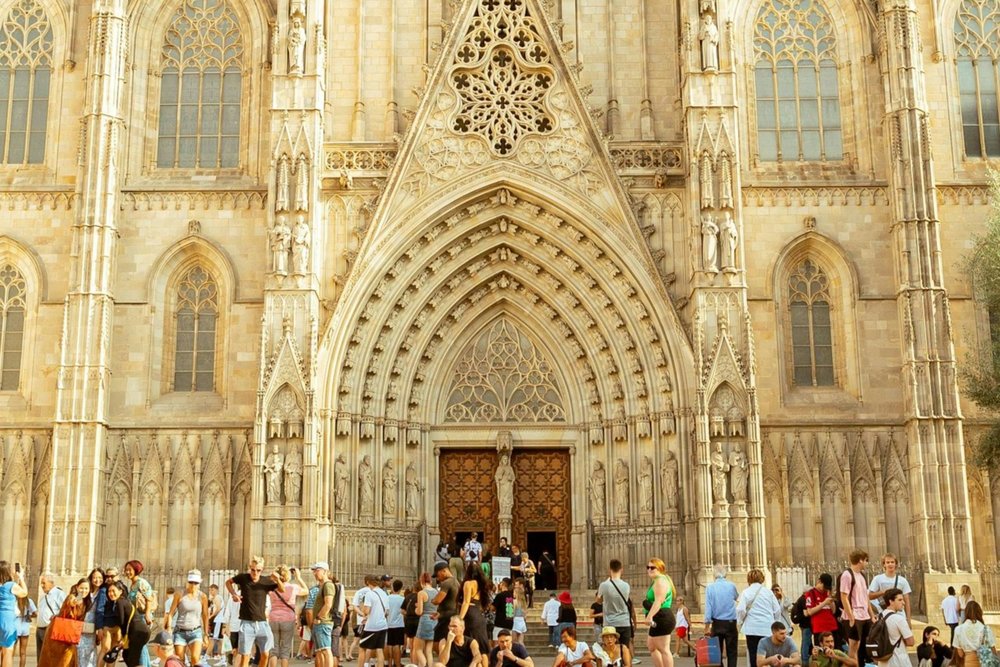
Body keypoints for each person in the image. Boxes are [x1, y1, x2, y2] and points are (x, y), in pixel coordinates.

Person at [226, 556, 285, 667]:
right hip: (246, 623)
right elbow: (228, 582)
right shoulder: (243, 578)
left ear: (262, 570)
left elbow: (282, 590)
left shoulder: (265, 581)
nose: (255, 573)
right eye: (253, 570)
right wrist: (233, 594)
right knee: (245, 656)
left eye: (258, 570)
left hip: (262, 623)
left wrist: (277, 579)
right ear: (250, 568)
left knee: (266, 654)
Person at [38, 578, 89, 667]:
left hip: (69, 634)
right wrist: (79, 597)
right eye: (81, 588)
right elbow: (73, 602)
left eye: (86, 588)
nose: (84, 590)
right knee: (59, 661)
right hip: (60, 634)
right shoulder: (73, 597)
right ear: (77, 587)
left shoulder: (85, 601)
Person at [737, 569, 782, 667]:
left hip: (752, 628)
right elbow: (777, 610)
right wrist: (775, 623)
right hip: (767, 628)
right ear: (762, 579)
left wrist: (739, 621)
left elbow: (740, 609)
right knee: (766, 656)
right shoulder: (769, 593)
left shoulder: (746, 592)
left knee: (753, 655)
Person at [164, 569, 209, 666]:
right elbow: (171, 613)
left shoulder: (203, 597)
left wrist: (206, 634)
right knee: (180, 661)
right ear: (187, 582)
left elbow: (205, 616)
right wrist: (169, 628)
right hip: (180, 632)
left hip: (195, 631)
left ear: (199, 583)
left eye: (196, 583)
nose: (193, 585)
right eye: (191, 582)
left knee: (195, 659)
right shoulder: (179, 595)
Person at [267, 565, 308, 667]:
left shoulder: (271, 588)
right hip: (288, 619)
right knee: (285, 649)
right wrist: (298, 577)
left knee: (273, 648)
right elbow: (306, 591)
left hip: (273, 618)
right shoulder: (293, 587)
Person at [838, 550, 872, 665]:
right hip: (854, 615)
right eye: (866, 560)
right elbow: (844, 596)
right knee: (853, 647)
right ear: (860, 560)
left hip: (864, 616)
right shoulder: (847, 575)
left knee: (862, 647)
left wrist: (871, 615)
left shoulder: (862, 575)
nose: (867, 563)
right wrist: (851, 617)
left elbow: (866, 597)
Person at [106, 580, 150, 667]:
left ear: (120, 591)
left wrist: (122, 638)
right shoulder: (124, 601)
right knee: (127, 655)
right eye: (109, 591)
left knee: (133, 659)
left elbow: (122, 622)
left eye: (113, 591)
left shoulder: (119, 602)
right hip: (140, 632)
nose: (111, 593)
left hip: (138, 633)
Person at [643, 559, 676, 667]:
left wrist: (649, 616)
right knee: (652, 646)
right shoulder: (657, 580)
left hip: (662, 617)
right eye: (648, 567)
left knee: (664, 649)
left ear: (660, 569)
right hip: (659, 616)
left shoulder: (660, 581)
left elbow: (659, 601)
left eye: (652, 568)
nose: (649, 570)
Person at [596, 560, 634, 654]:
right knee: (625, 650)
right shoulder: (626, 586)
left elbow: (598, 601)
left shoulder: (604, 585)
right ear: (621, 569)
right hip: (624, 622)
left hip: (610, 622)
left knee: (610, 652)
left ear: (610, 570)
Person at [705, 564, 739, 667]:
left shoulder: (710, 587)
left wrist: (707, 626)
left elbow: (708, 608)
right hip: (730, 622)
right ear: (725, 574)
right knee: (732, 651)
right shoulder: (731, 586)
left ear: (714, 574)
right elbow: (736, 597)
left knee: (717, 652)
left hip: (717, 623)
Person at [803, 574, 839, 659]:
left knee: (834, 651)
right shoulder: (811, 593)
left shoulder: (827, 593)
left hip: (831, 626)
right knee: (821, 653)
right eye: (823, 587)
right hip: (819, 628)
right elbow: (810, 611)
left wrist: (830, 599)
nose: (824, 589)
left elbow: (833, 611)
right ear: (819, 582)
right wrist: (824, 603)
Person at [460, 563, 492, 658]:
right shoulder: (482, 584)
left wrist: (460, 618)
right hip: (479, 615)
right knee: (482, 649)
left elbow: (466, 602)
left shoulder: (468, 583)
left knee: (471, 645)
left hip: (470, 615)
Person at [868, 554, 911, 624]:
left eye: (892, 562)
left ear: (896, 564)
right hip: (884, 613)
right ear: (884, 564)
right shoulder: (878, 579)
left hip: (900, 614)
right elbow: (869, 596)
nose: (890, 564)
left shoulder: (903, 580)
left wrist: (908, 620)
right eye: (887, 562)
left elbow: (907, 600)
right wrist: (882, 592)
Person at [311, 562, 340, 667]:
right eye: (314, 571)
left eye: (317, 570)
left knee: (326, 650)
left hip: (323, 622)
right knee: (320, 651)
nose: (314, 573)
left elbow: (328, 604)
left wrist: (318, 617)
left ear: (325, 571)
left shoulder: (328, 585)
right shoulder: (323, 585)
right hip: (320, 623)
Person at [875, 589, 913, 667]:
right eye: (900, 600)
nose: (903, 603)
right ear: (891, 601)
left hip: (883, 662)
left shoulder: (878, 617)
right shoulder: (899, 619)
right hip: (899, 661)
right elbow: (910, 642)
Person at [359, 573, 390, 667]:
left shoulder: (369, 594)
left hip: (372, 626)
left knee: (362, 648)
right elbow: (387, 611)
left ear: (368, 582)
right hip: (383, 625)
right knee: (379, 649)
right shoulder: (384, 593)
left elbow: (366, 611)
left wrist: (363, 611)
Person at [0, 562, 27, 667]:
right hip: (7, 620)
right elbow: (24, 593)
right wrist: (21, 578)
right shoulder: (11, 585)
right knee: (7, 652)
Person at [953, 601, 996, 667]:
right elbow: (993, 651)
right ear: (980, 612)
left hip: (968, 663)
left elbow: (960, 654)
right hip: (985, 663)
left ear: (966, 613)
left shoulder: (958, 629)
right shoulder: (986, 629)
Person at [35, 571, 66, 659]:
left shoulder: (59, 594)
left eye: (44, 583)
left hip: (50, 630)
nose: (42, 585)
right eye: (41, 583)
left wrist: (56, 616)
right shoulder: (44, 596)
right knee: (41, 658)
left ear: (51, 583)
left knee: (50, 657)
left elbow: (65, 610)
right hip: (40, 630)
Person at [433, 562, 462, 651]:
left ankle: (444, 658)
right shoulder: (457, 582)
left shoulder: (446, 583)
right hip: (452, 614)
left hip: (446, 617)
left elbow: (437, 600)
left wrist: (432, 600)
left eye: (438, 575)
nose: (438, 578)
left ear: (443, 571)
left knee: (437, 642)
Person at [414, 573, 438, 667]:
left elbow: (419, 612)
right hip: (434, 620)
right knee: (429, 650)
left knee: (418, 649)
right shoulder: (436, 592)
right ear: (430, 581)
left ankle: (423, 665)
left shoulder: (421, 593)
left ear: (421, 581)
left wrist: (416, 608)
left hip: (424, 620)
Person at [387, 579, 407, 667]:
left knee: (389, 645)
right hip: (399, 624)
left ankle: (389, 664)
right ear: (401, 588)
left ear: (392, 587)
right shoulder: (402, 599)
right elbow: (405, 612)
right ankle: (397, 664)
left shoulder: (387, 598)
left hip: (388, 624)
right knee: (397, 645)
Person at [13, 593, 34, 667]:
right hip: (25, 628)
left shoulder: (14, 601)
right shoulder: (29, 601)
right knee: (23, 653)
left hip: (15, 627)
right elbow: (35, 613)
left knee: (11, 652)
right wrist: (29, 615)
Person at [207, 583, 224, 660]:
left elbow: (218, 609)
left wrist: (211, 616)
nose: (211, 592)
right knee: (219, 639)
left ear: (216, 590)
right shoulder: (214, 598)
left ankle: (207, 655)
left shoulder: (217, 597)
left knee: (212, 638)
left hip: (217, 620)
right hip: (218, 620)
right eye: (210, 590)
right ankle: (221, 656)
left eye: (212, 590)